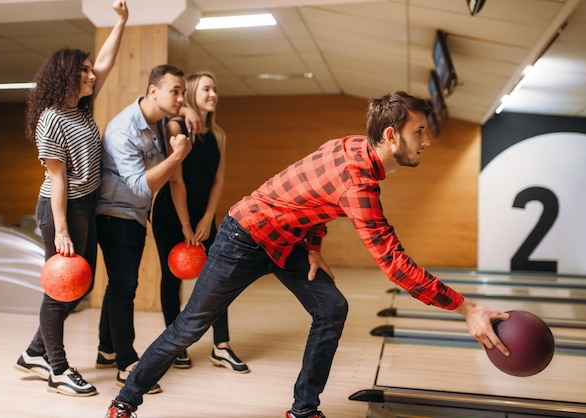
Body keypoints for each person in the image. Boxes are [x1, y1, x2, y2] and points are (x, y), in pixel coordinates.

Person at [104, 91, 510, 418]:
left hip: (288, 243)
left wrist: (313, 249)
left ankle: (303, 409)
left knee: (332, 309)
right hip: (242, 237)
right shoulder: (360, 184)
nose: (426, 141)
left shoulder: (352, 145)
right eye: (419, 132)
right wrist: (466, 307)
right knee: (190, 326)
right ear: (390, 136)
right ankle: (125, 402)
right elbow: (394, 264)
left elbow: (313, 200)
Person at [14, 0, 128, 397]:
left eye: (88, 69)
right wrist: (61, 229)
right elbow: (57, 180)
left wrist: (121, 21)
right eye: (82, 70)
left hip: (84, 206)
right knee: (61, 288)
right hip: (60, 210)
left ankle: (33, 352)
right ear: (65, 75)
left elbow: (106, 63)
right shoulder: (51, 119)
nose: (91, 74)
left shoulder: (80, 110)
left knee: (79, 286)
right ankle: (57, 368)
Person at [95, 64, 197, 394]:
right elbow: (141, 187)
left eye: (183, 92)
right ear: (154, 91)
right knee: (126, 287)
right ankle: (127, 363)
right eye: (176, 91)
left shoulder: (155, 122)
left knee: (118, 285)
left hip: (135, 217)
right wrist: (177, 157)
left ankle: (106, 349)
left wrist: (186, 113)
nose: (181, 98)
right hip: (115, 216)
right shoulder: (124, 128)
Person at [151, 71, 249, 373]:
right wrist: (185, 225)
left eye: (215, 89)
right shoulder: (176, 126)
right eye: (206, 89)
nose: (213, 95)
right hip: (171, 213)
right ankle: (174, 345)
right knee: (172, 279)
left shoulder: (218, 133)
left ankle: (221, 347)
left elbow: (218, 179)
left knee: (219, 279)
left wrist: (207, 217)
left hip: (205, 216)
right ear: (192, 93)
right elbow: (176, 178)